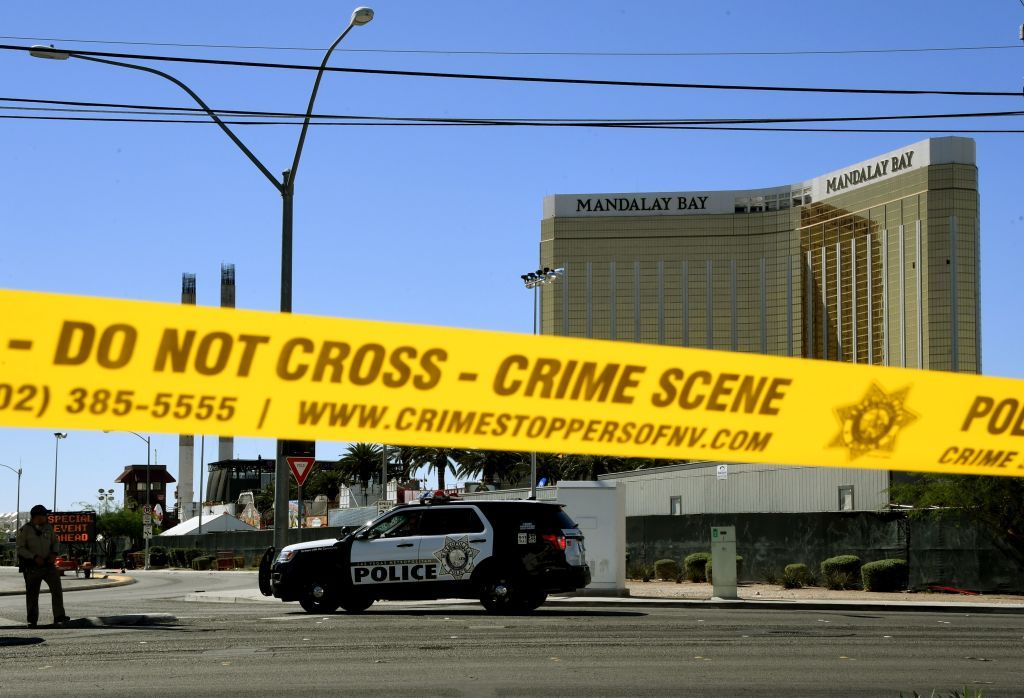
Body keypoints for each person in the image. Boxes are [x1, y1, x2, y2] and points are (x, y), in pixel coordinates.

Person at [15, 505, 70, 627]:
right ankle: (32, 619)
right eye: (44, 515)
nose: (46, 517)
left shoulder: (48, 528)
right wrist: (34, 557)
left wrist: (54, 553)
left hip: (48, 565)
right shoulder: (25, 530)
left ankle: (59, 616)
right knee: (32, 594)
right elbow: (20, 548)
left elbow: (55, 541)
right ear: (37, 517)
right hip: (32, 567)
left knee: (56, 590)